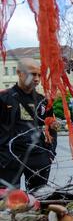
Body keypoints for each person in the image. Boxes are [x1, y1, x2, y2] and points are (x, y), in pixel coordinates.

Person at [0, 58, 58, 191]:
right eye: (32, 74)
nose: (37, 79)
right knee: (9, 203)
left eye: (39, 75)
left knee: (39, 199)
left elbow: (52, 128)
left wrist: (50, 153)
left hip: (37, 157)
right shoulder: (3, 98)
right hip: (8, 159)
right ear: (20, 73)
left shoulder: (43, 101)